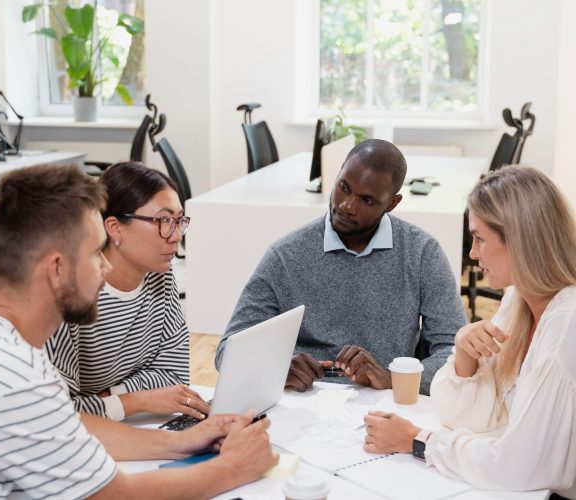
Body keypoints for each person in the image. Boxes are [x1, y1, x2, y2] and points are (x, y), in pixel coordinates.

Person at [0, 164, 277, 498]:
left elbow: (75, 424)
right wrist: (234, 466)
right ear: (57, 268)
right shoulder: (19, 380)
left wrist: (181, 442)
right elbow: (114, 495)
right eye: (94, 253)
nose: (104, 266)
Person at [362, 166, 576, 498]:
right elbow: (471, 418)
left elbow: (519, 467)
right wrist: (464, 355)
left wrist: (417, 440)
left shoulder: (566, 326)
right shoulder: (519, 299)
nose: (473, 255)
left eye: (479, 238)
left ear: (518, 240)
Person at [216, 139, 466, 394]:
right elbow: (227, 352)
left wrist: (393, 380)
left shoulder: (422, 253)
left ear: (392, 204)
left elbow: (455, 352)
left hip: (385, 402)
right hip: (305, 403)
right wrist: (275, 369)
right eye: (343, 188)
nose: (347, 205)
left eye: (367, 201)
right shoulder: (285, 255)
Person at [46, 162, 209, 422]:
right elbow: (58, 410)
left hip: (129, 424)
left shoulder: (160, 274)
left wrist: (108, 397)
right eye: (164, 220)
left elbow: (175, 377)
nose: (176, 235)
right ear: (114, 228)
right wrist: (138, 400)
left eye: (179, 220)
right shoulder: (72, 292)